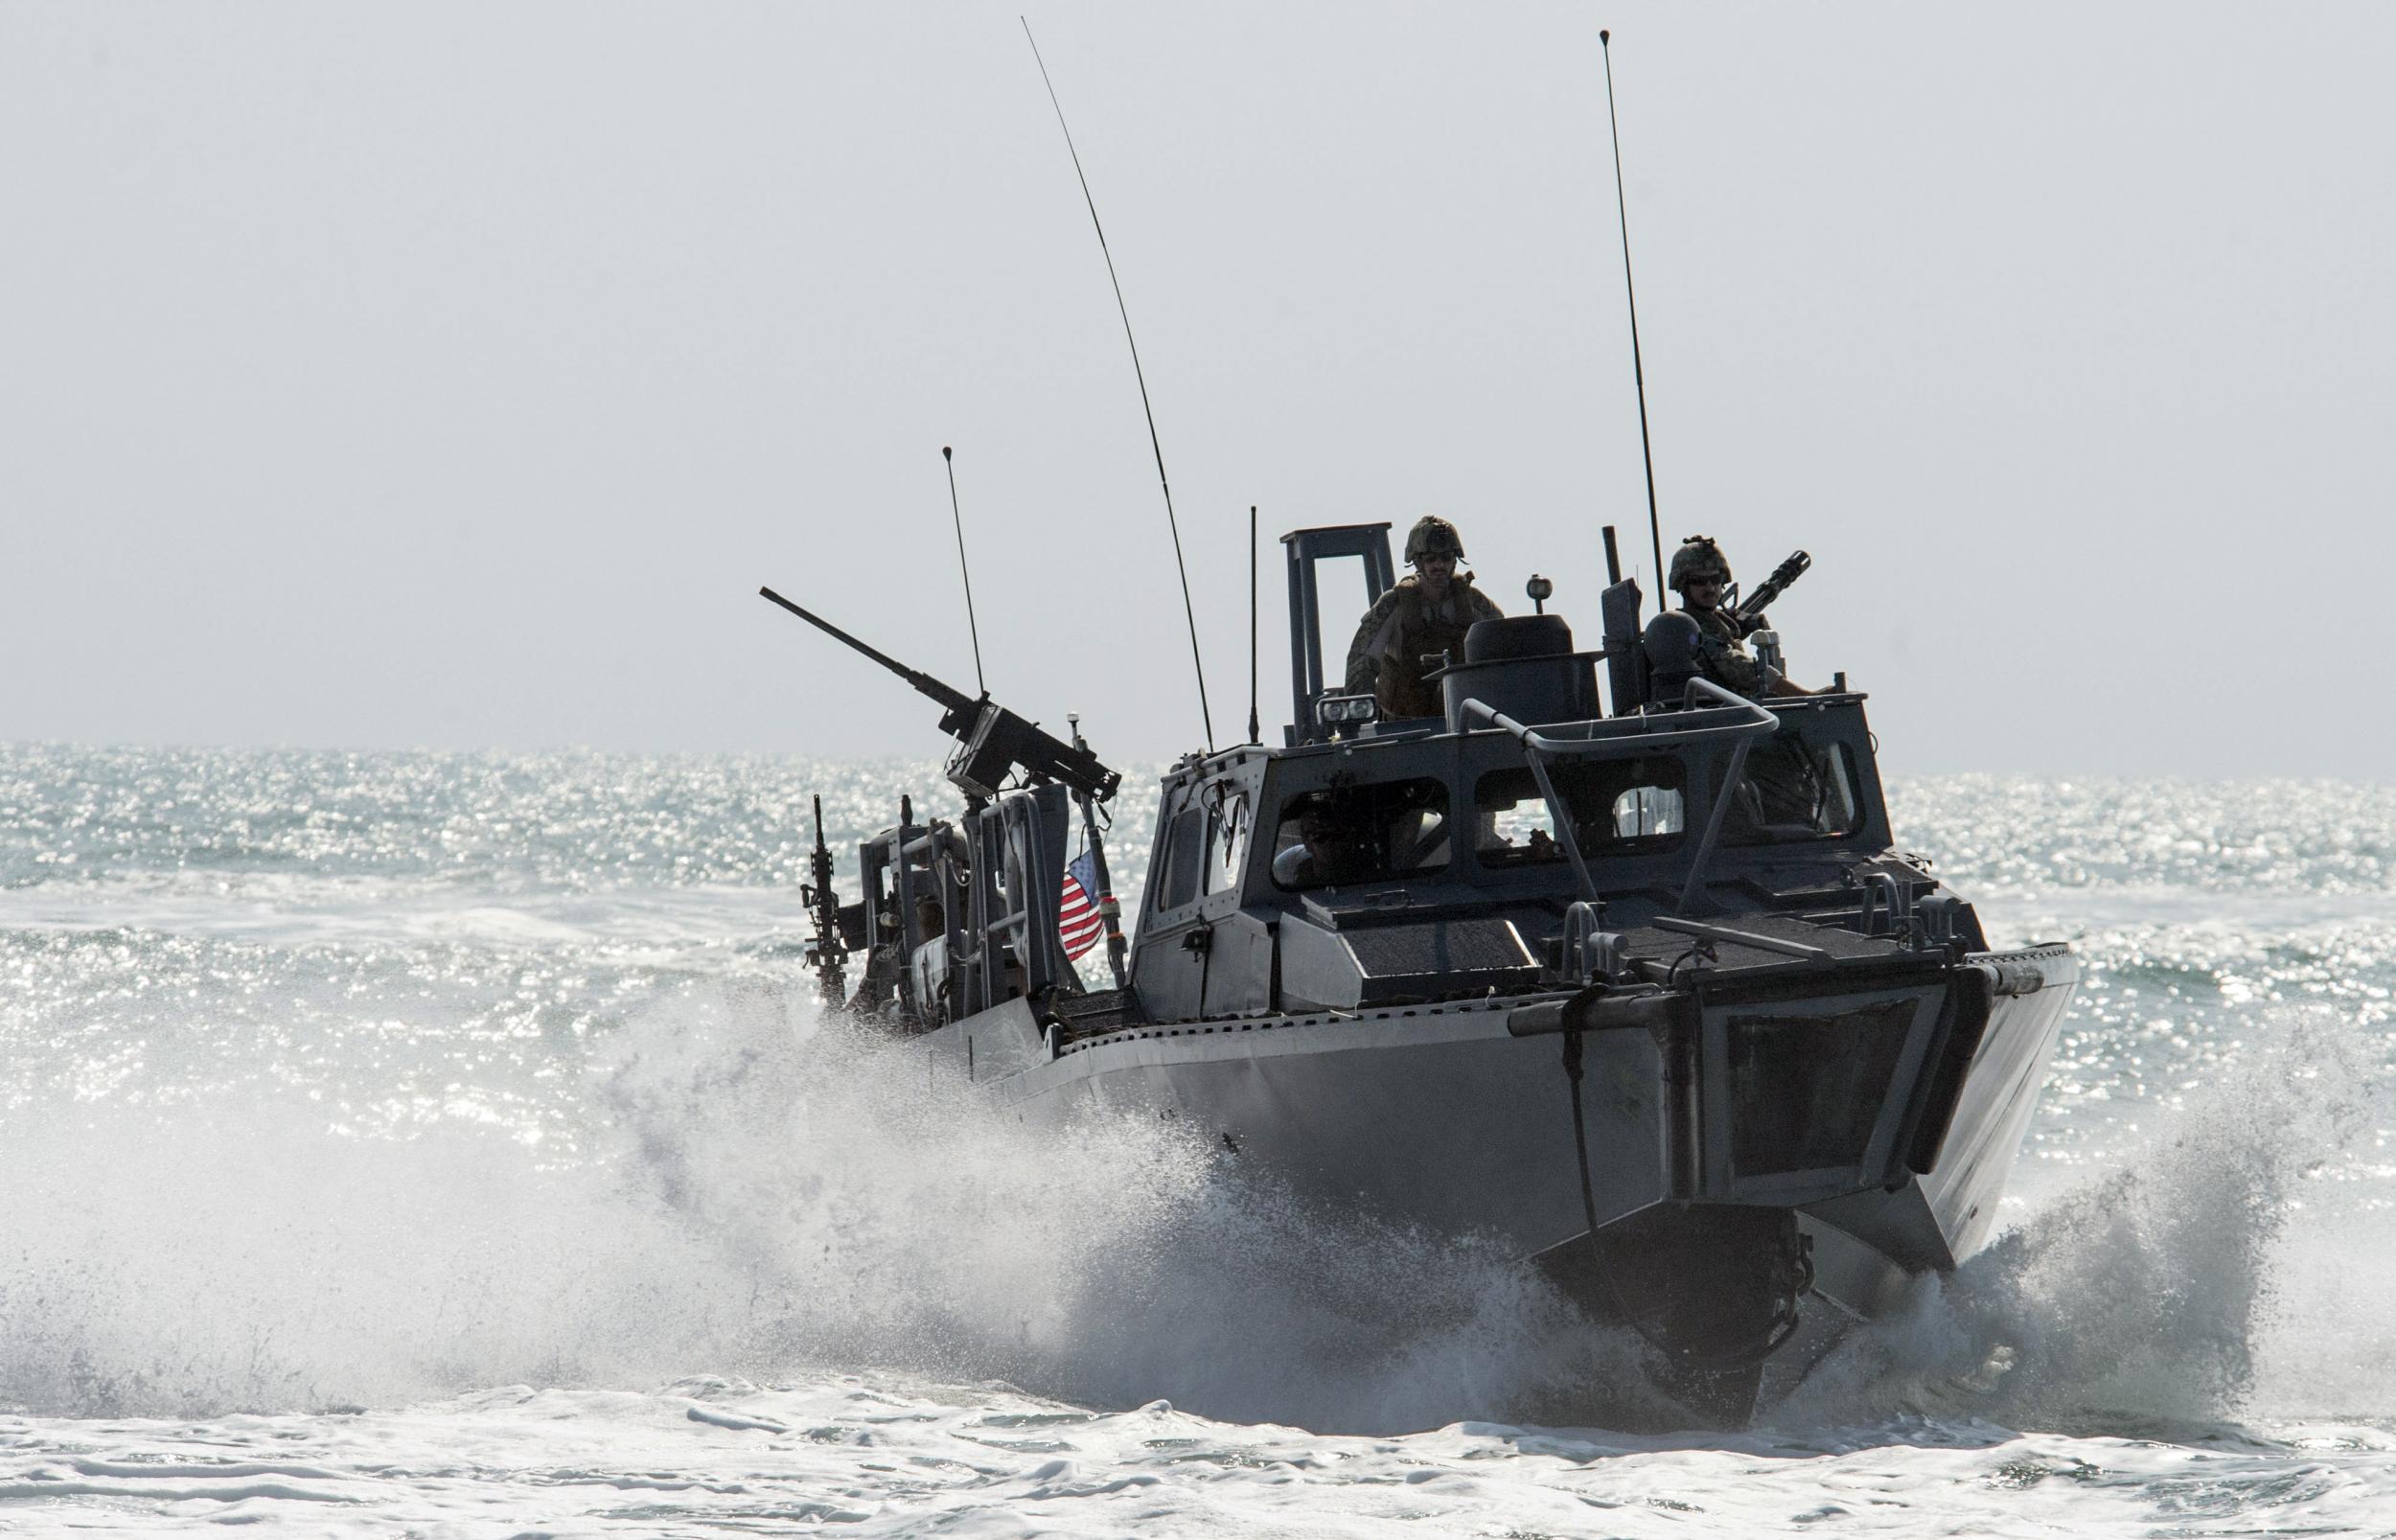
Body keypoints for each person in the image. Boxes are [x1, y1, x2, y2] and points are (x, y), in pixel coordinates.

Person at [1343, 516, 1505, 719]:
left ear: (1454, 561)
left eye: (1446, 558)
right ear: (1418, 562)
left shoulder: (1473, 603)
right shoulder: (1394, 605)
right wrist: (1361, 718)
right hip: (1401, 727)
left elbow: (1503, 647)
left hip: (1463, 720)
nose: (1439, 565)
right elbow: (1363, 662)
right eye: (1430, 559)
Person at [1666, 536, 1813, 699]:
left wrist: (1734, 631)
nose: (1710, 587)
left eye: (1715, 579)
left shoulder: (1718, 623)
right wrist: (1804, 696)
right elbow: (1737, 667)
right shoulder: (1684, 628)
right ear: (1683, 585)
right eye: (1698, 581)